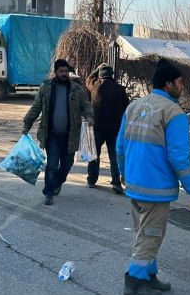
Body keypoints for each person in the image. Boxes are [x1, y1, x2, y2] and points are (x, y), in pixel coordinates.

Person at [117, 58, 190, 295]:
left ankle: (148, 276)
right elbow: (179, 158)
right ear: (167, 84)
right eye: (179, 82)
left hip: (135, 184)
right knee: (151, 235)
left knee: (142, 233)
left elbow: (120, 145)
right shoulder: (173, 112)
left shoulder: (134, 106)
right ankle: (133, 284)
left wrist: (124, 172)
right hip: (156, 188)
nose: (182, 87)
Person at [22, 59, 94, 206]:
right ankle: (48, 192)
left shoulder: (76, 89)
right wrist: (27, 124)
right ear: (55, 72)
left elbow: (86, 105)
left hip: (70, 135)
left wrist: (89, 116)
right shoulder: (46, 88)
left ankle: (58, 182)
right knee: (52, 165)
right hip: (52, 135)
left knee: (67, 164)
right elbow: (36, 107)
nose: (64, 74)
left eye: (66, 71)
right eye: (61, 71)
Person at [85, 63, 129, 194]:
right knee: (114, 156)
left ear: (100, 75)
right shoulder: (120, 89)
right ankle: (116, 183)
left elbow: (88, 79)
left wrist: (96, 68)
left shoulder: (94, 86)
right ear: (112, 75)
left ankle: (91, 180)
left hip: (97, 127)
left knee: (94, 155)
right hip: (115, 128)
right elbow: (126, 107)